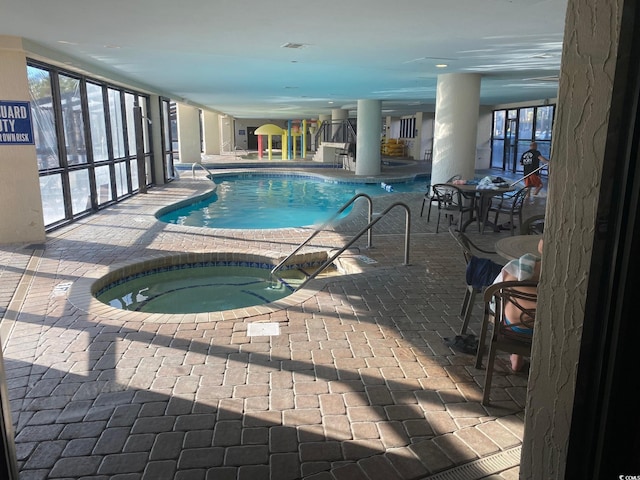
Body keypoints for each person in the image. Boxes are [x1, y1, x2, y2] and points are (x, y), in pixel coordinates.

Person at [493, 238, 543, 372]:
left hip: (514, 330)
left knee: (508, 307)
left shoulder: (513, 270)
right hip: (546, 332)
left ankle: (516, 356)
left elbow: (494, 298)